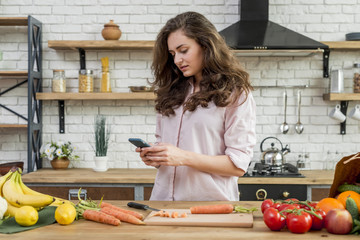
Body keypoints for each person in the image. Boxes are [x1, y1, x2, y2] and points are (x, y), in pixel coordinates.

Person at [135, 11, 256, 201]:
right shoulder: (170, 91)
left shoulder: (235, 93)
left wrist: (183, 157)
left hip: (211, 207)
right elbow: (169, 154)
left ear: (206, 45)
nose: (176, 60)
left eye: (183, 50)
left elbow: (238, 165)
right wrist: (156, 157)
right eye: (172, 54)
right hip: (163, 203)